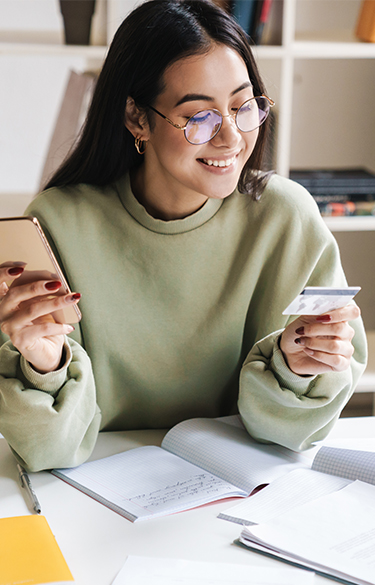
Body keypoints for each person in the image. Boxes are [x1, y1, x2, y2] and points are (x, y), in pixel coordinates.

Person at [0, 0, 367, 472]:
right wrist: (44, 366)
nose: (231, 138)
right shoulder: (60, 222)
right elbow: (48, 451)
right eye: (200, 117)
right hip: (92, 494)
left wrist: (298, 366)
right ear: (137, 118)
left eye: (243, 106)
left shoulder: (285, 218)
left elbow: (291, 437)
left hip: (241, 487)